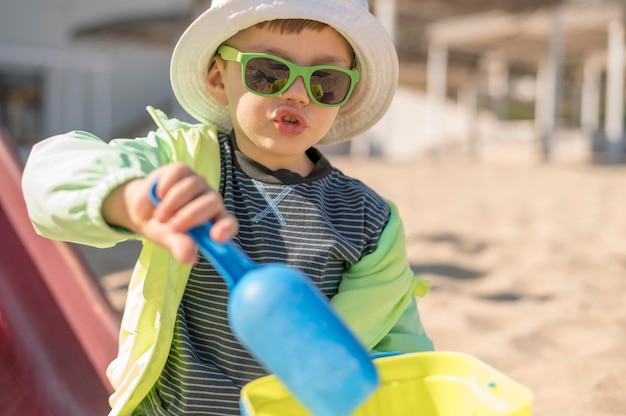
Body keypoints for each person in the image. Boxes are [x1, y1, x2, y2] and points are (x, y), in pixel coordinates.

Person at [21, 0, 434, 414]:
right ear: (219, 78)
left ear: (345, 93)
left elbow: (399, 347)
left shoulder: (368, 219)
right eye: (268, 73)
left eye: (324, 80)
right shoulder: (180, 164)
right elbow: (53, 170)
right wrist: (128, 196)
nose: (297, 92)